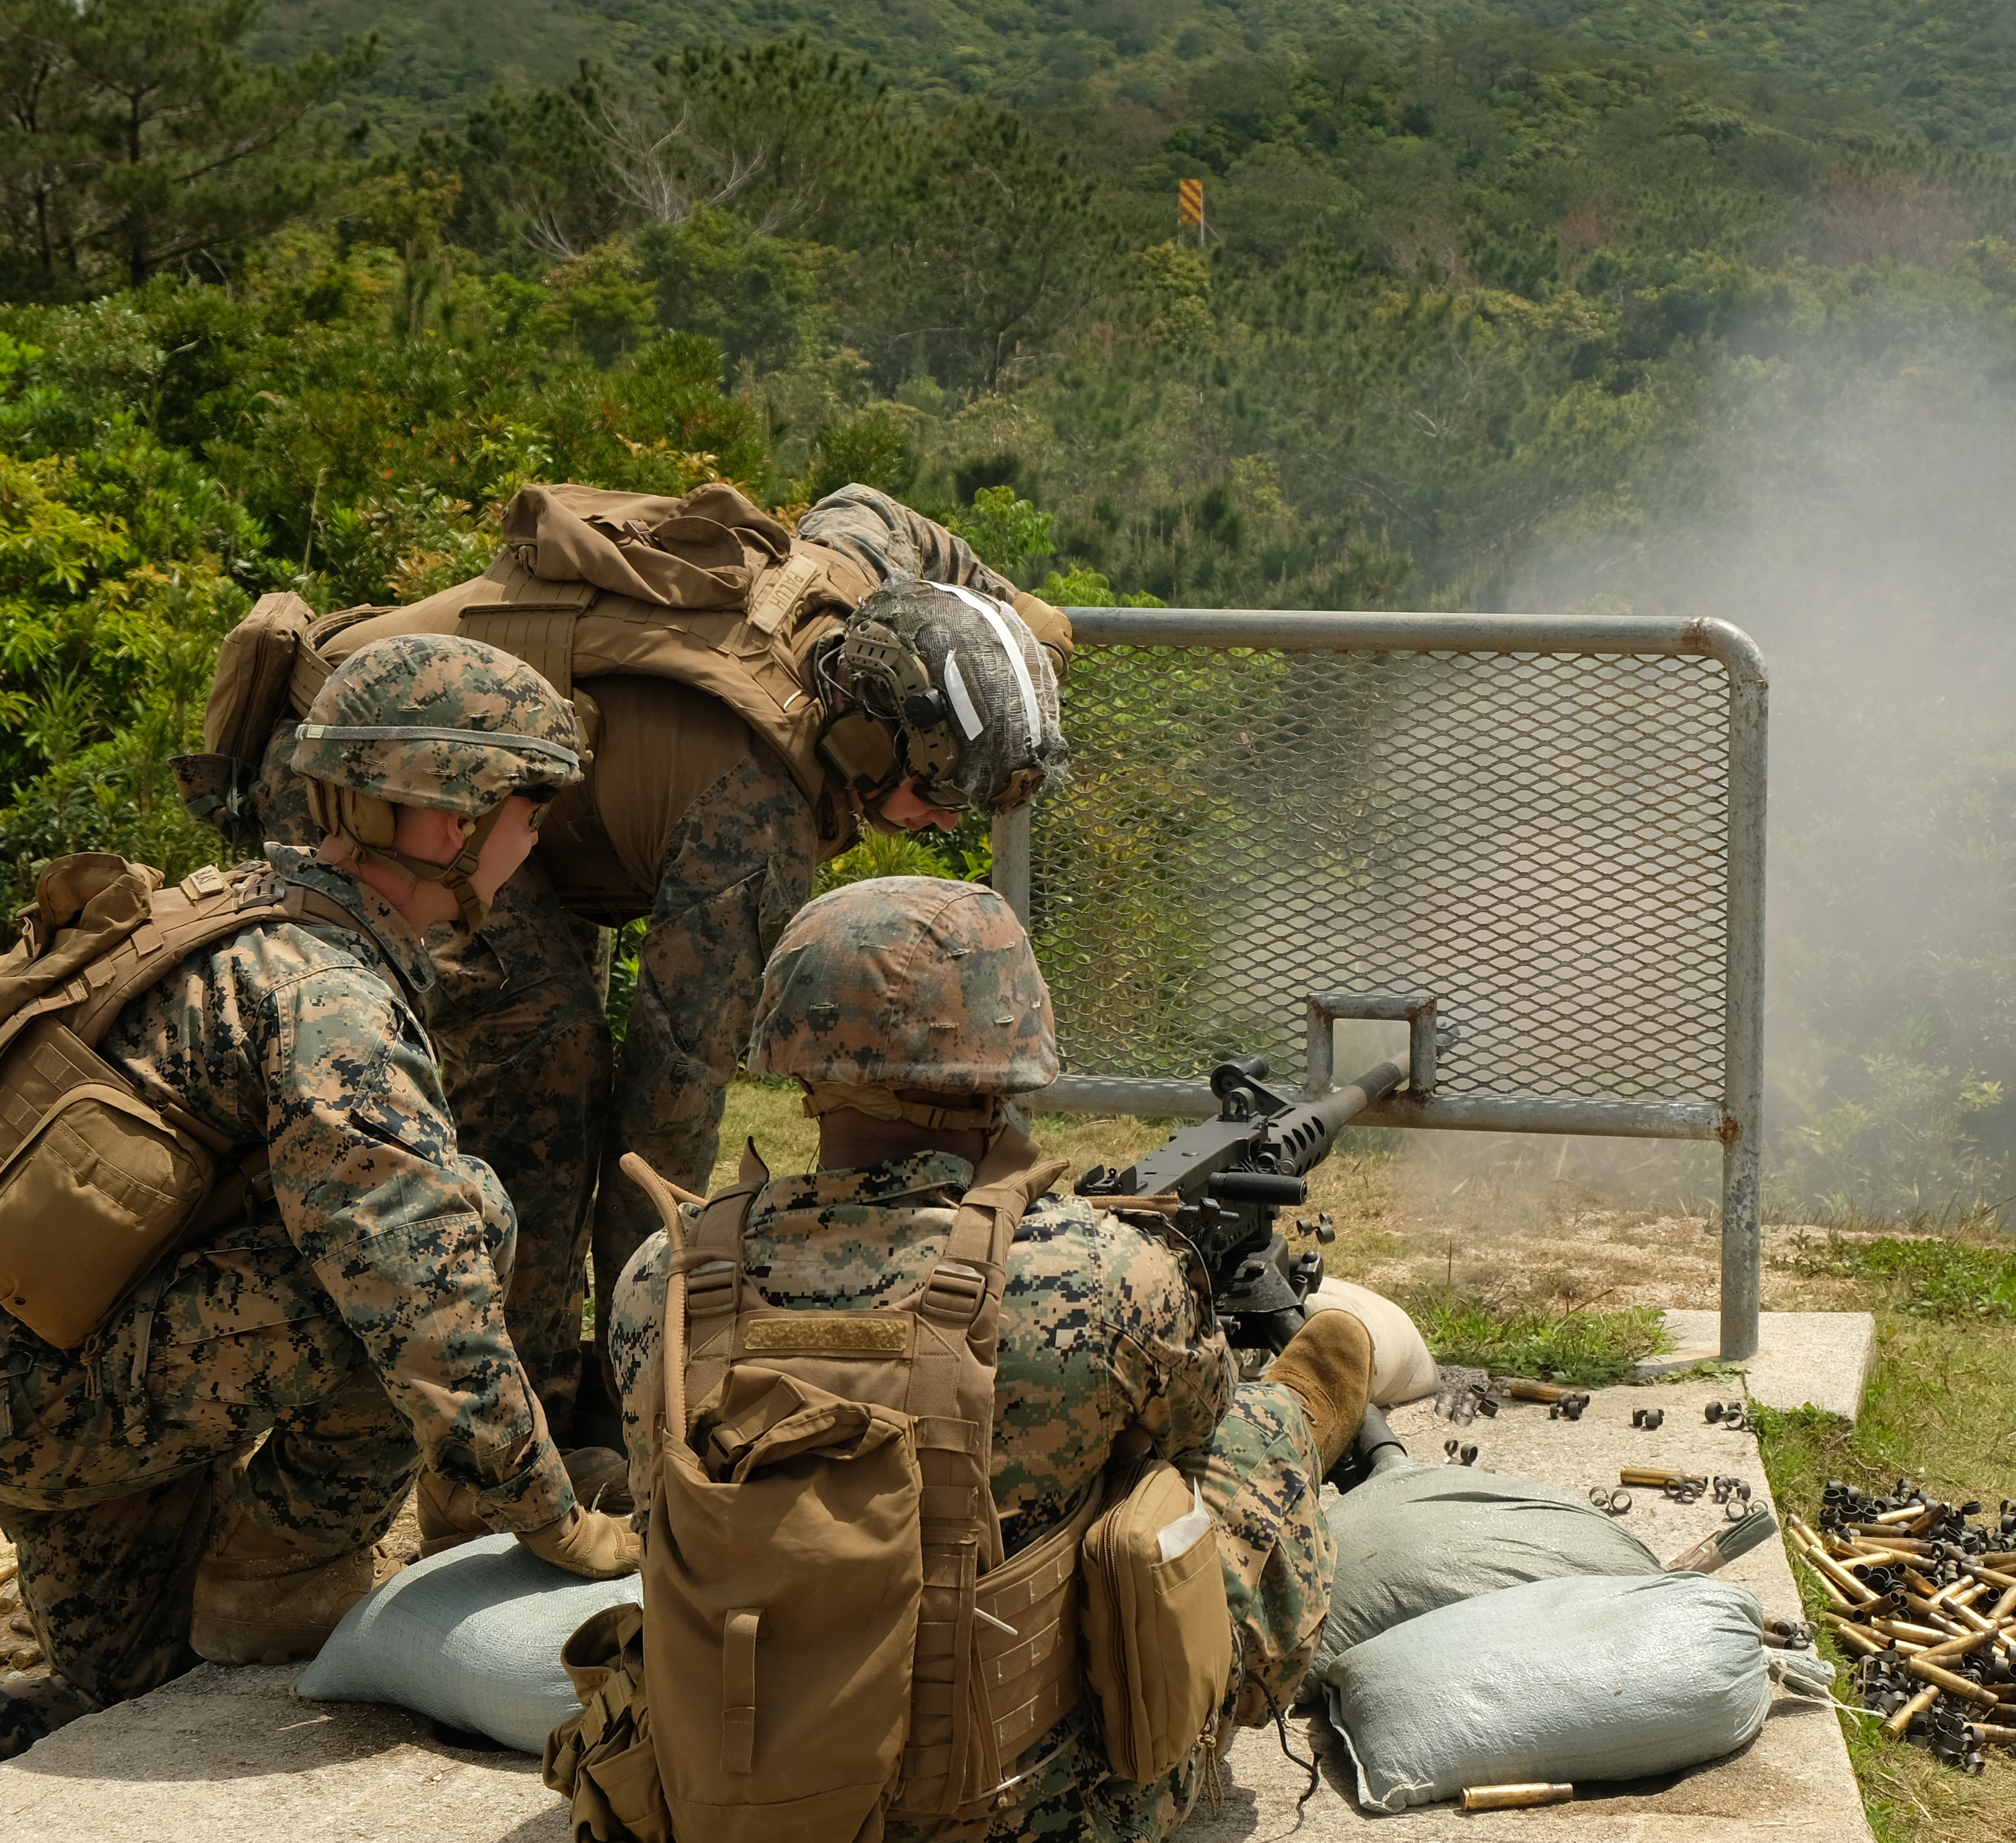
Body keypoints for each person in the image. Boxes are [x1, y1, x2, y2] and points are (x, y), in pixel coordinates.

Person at [212, 478, 1075, 1447]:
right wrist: (659, 1362)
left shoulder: (851, 589)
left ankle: (570, 1385)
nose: (948, 821)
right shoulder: (758, 816)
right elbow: (667, 1110)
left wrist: (1028, 623)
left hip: (509, 803)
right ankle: (535, 1412)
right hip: (370, 774)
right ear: (870, 734)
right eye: (938, 789)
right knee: (551, 1080)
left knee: (560, 1062)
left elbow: (876, 504)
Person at [604, 876, 1366, 1840]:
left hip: (717, 1798)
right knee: (1254, 1432)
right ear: (1014, 1055)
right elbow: (1193, 1421)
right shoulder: (1103, 1272)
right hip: (1033, 1819)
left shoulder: (667, 1273)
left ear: (794, 1055)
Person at [0, 636, 640, 1760]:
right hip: (53, 1403)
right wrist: (549, 1516)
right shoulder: (327, 992)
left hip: (54, 1376)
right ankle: (273, 1570)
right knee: (460, 1222)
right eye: (530, 809)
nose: (536, 839)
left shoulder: (241, 908)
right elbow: (419, 1289)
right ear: (452, 821)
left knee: (143, 1683)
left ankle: (201, 1584)